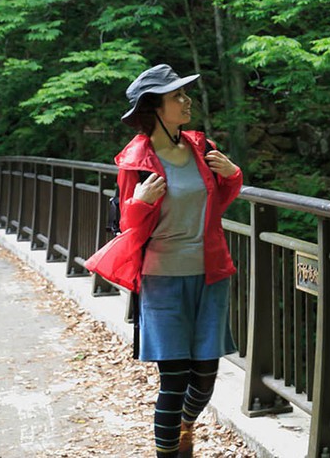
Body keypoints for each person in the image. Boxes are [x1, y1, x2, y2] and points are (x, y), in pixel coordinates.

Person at [86, 64, 243, 458]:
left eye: (184, 94)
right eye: (177, 96)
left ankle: (186, 425)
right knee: (174, 382)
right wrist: (140, 203)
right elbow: (128, 224)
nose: (186, 101)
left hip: (210, 273)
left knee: (205, 376)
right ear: (154, 107)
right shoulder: (137, 161)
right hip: (162, 279)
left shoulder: (200, 148)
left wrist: (233, 176)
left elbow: (213, 205)